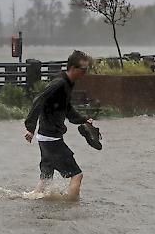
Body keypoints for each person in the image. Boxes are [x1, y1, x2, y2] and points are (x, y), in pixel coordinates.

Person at [23, 50, 98, 201]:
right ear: (73, 68)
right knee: (77, 175)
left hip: (46, 138)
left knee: (46, 179)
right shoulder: (59, 83)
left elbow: (67, 109)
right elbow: (38, 100)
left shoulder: (67, 84)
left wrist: (83, 120)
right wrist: (30, 128)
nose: (85, 73)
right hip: (51, 139)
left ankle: (32, 202)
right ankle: (72, 210)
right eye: (84, 69)